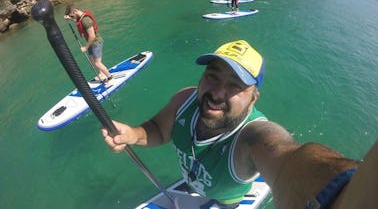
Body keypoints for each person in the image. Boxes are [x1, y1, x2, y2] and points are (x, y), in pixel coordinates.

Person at [101, 40, 378, 208]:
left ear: (253, 97)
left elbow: (289, 159)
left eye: (235, 85)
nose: (217, 93)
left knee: (227, 203)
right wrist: (133, 134)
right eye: (212, 77)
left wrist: (347, 195)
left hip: (228, 199)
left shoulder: (253, 137)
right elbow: (159, 129)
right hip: (194, 182)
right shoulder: (186, 98)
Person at [64, 4, 113, 85]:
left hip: (96, 42)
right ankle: (101, 73)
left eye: (72, 15)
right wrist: (70, 18)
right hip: (91, 43)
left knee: (97, 63)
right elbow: (78, 21)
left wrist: (85, 47)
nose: (72, 17)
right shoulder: (81, 16)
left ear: (75, 11)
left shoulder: (86, 20)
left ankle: (110, 78)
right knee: (92, 59)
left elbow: (92, 36)